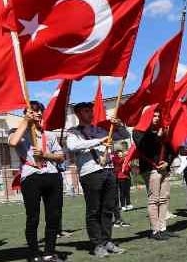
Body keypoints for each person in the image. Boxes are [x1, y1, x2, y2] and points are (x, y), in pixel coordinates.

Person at [66, 102, 129, 258]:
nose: (91, 113)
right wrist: (98, 141)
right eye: (86, 111)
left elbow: (124, 136)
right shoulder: (73, 132)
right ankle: (97, 244)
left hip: (108, 170)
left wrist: (120, 125)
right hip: (90, 173)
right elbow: (72, 146)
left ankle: (107, 240)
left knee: (108, 209)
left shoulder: (100, 129)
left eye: (91, 111)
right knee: (94, 210)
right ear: (78, 114)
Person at [8, 101, 66, 262]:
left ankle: (49, 252)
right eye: (34, 110)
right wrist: (26, 121)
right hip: (31, 176)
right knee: (33, 217)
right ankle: (34, 253)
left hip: (52, 175)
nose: (38, 113)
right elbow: (13, 143)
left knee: (54, 216)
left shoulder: (50, 135)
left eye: (40, 110)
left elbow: (61, 156)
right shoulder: (17, 131)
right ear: (26, 113)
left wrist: (46, 155)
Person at [133, 108, 178, 240]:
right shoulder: (138, 132)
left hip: (163, 168)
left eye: (159, 116)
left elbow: (171, 150)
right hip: (150, 168)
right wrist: (158, 136)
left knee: (164, 198)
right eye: (154, 116)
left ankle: (163, 228)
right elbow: (145, 147)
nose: (157, 118)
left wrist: (167, 163)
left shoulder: (163, 131)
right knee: (154, 199)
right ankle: (154, 230)